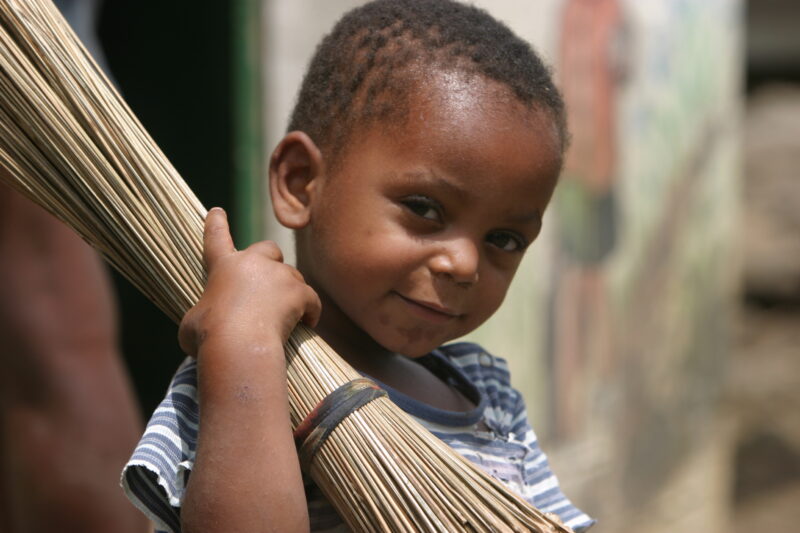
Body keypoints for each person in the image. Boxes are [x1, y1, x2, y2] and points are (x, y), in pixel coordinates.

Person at [122, 1, 595, 531]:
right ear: (301, 182)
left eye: (503, 239)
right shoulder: (233, 373)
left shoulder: (487, 395)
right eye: (424, 209)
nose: (465, 264)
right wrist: (241, 344)